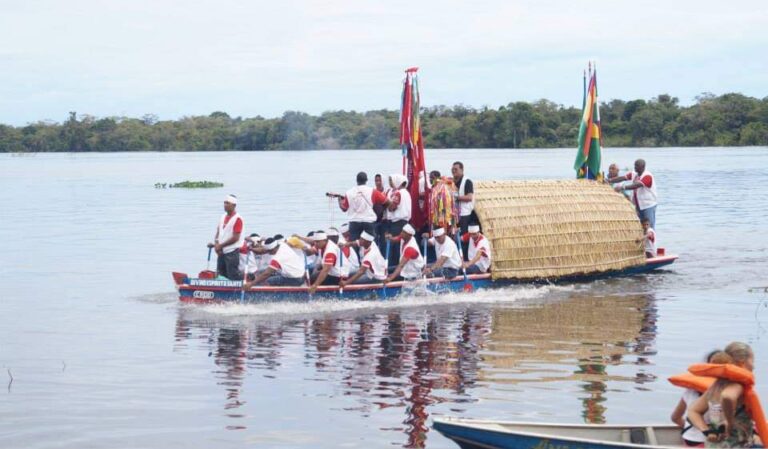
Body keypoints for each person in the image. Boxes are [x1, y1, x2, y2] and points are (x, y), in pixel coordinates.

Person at [687, 342, 760, 448]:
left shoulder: (717, 385)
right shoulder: (737, 385)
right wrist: (729, 421)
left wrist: (707, 431)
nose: (753, 365)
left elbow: (693, 411)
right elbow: (728, 397)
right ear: (743, 362)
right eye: (752, 361)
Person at [670, 350, 722, 447]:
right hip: (711, 442)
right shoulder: (725, 392)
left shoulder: (690, 391)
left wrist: (691, 427)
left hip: (690, 439)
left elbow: (675, 418)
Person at [330, 171, 390, 241]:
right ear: (366, 180)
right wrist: (380, 211)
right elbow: (387, 202)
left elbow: (344, 208)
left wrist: (339, 200)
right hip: (368, 221)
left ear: (356, 180)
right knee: (370, 244)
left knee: (354, 245)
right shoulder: (373, 191)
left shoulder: (349, 192)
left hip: (354, 222)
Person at [608, 159, 658, 229]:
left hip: (648, 205)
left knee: (649, 227)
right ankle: (643, 239)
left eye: (637, 166)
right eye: (635, 165)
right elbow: (623, 178)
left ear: (643, 167)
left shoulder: (647, 176)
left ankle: (651, 239)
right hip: (638, 205)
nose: (635, 167)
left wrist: (623, 187)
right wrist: (610, 180)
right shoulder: (634, 174)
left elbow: (636, 185)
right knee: (641, 227)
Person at [207, 194, 244, 280]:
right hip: (222, 251)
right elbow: (218, 231)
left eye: (227, 203)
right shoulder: (223, 216)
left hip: (232, 252)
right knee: (221, 275)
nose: (225, 205)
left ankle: (248, 278)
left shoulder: (238, 219)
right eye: (224, 203)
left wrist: (221, 245)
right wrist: (216, 243)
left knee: (232, 276)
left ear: (234, 205)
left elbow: (235, 238)